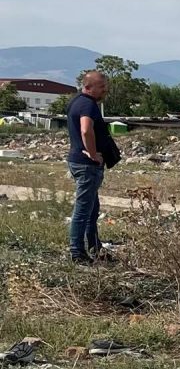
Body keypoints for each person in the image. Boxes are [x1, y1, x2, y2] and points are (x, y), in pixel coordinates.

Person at [66, 71, 111, 264]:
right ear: (89, 87)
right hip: (87, 165)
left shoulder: (76, 102)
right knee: (84, 210)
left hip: (78, 162)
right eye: (101, 87)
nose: (105, 90)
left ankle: (95, 248)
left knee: (92, 208)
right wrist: (93, 154)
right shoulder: (88, 105)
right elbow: (86, 129)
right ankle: (77, 252)